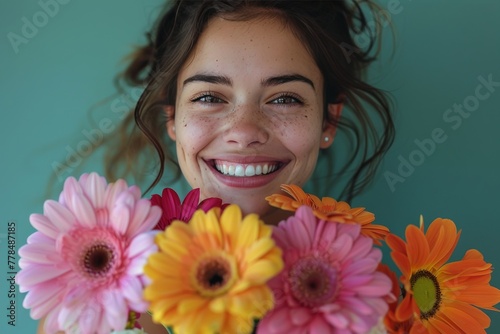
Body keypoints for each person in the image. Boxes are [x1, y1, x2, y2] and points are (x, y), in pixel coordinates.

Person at [39, 0, 395, 332]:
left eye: (285, 98)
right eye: (208, 97)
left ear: (328, 122)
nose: (244, 131)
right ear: (173, 119)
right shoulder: (84, 309)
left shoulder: (369, 309)